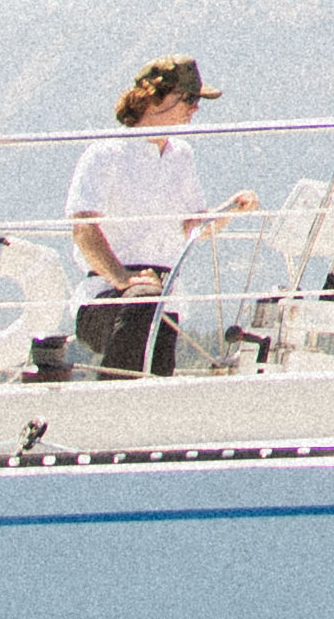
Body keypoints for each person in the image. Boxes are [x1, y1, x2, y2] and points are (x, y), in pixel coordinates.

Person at [62, 57, 244, 379]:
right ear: (155, 97)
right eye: (189, 98)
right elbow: (84, 231)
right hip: (106, 296)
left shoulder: (181, 156)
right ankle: (109, 404)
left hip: (163, 297)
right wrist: (121, 277)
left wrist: (230, 210)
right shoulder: (105, 153)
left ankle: (131, 414)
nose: (195, 108)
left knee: (158, 370)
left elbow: (193, 227)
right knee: (144, 303)